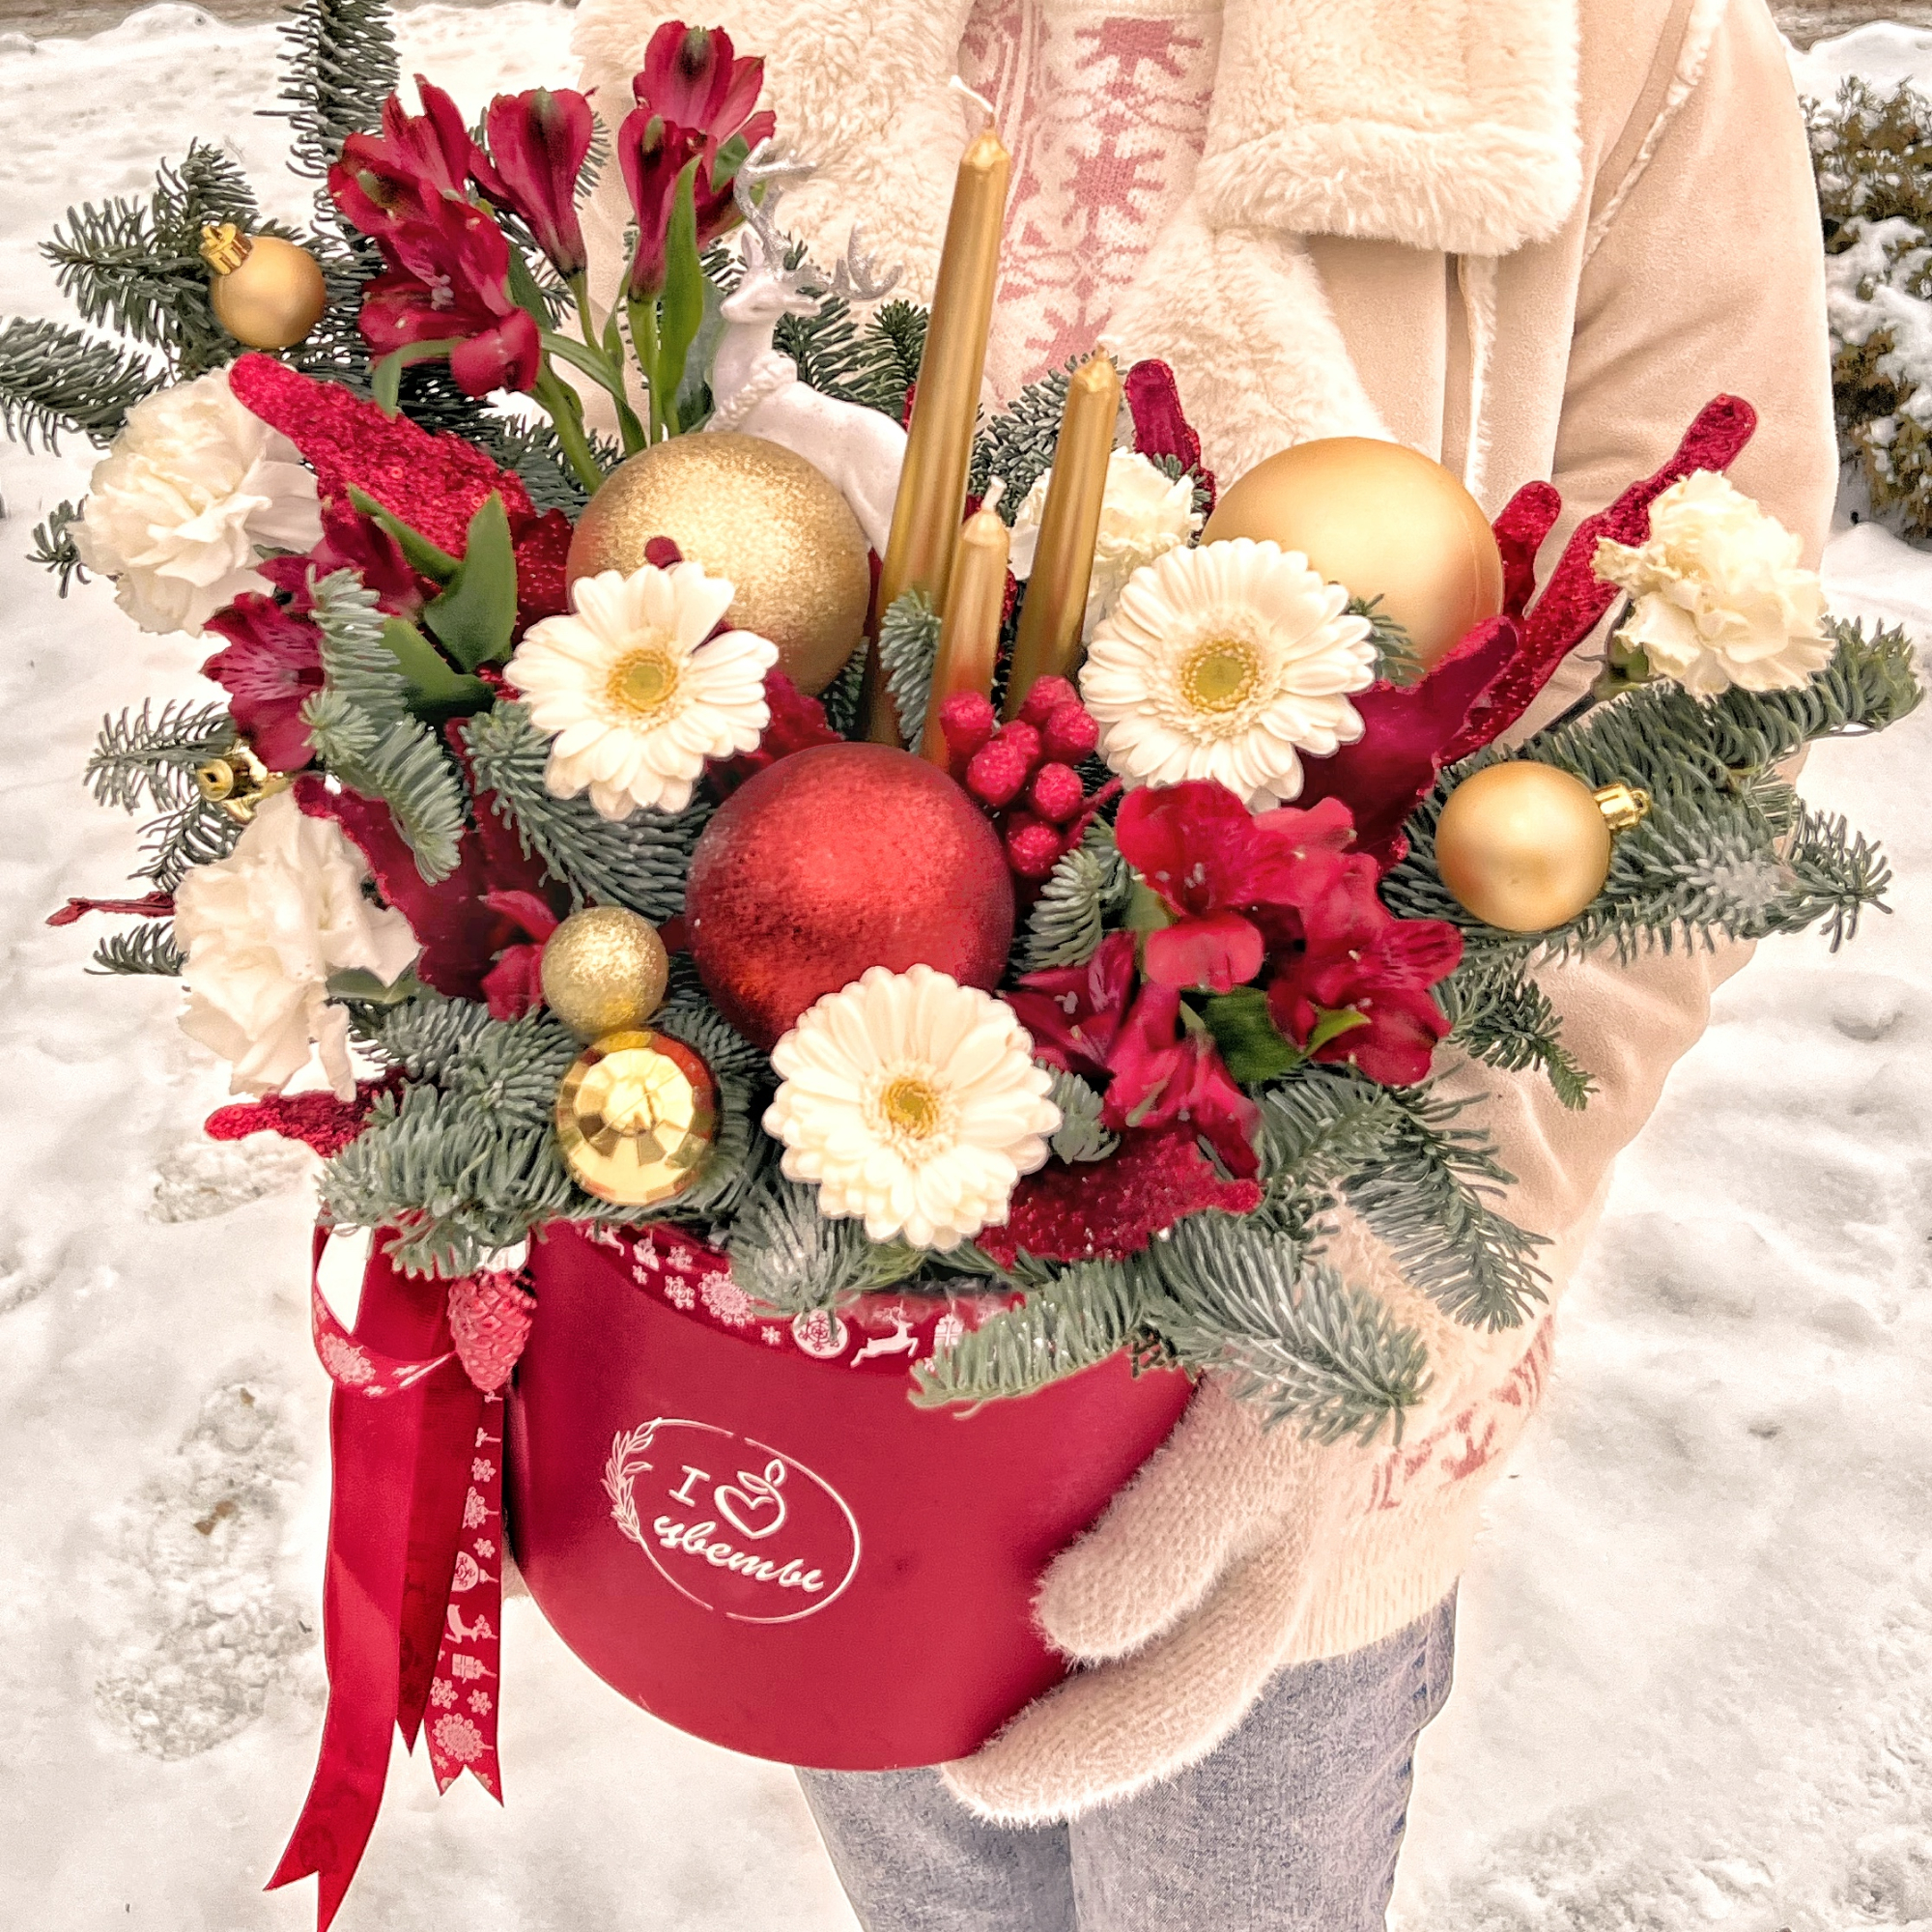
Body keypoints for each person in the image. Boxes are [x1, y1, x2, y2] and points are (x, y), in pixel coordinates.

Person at [572, 0, 1835, 1924]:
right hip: (819, 1331)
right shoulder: (727, 28)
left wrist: (1355, 1338)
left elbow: (1678, 733)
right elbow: (587, 544)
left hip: (1270, 1394)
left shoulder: (1618, 44)